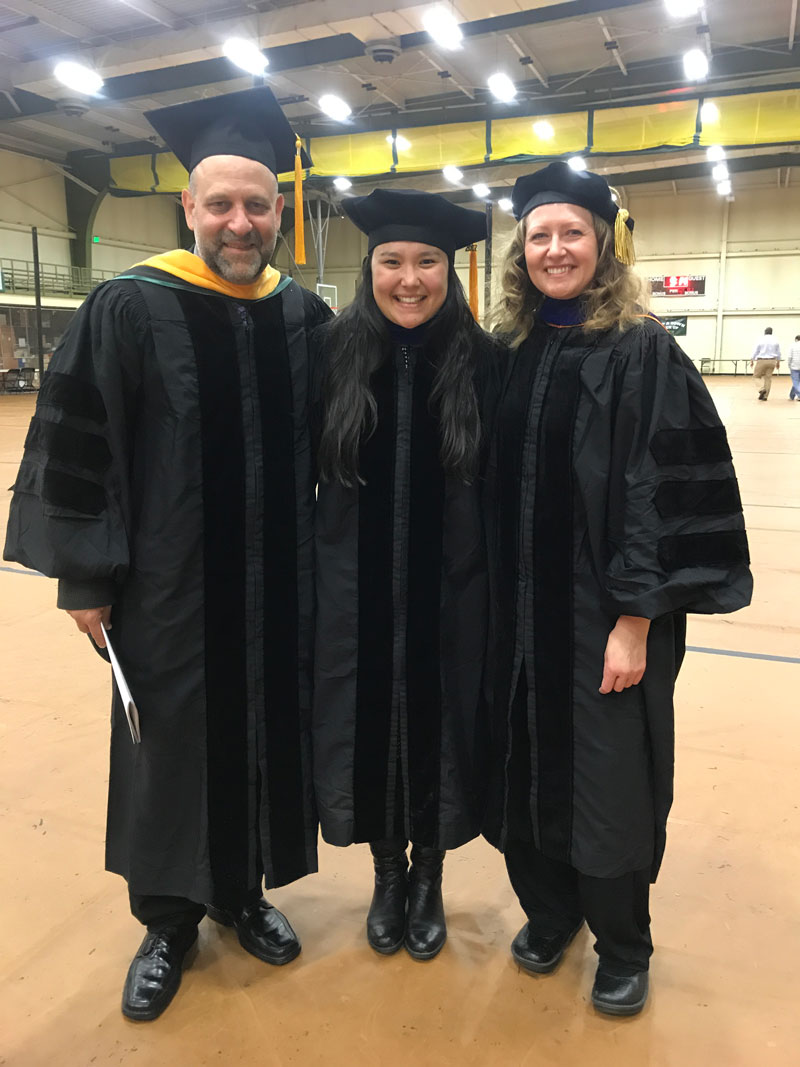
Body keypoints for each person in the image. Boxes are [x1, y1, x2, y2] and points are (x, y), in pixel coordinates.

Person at [3, 86, 332, 1021]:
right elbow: (84, 444)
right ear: (188, 208)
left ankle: (243, 891)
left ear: (280, 213)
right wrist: (86, 575)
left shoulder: (300, 318)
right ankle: (167, 920)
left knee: (265, 734)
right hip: (165, 587)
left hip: (277, 586)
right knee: (167, 748)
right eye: (219, 203)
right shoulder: (127, 305)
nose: (239, 221)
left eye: (257, 204)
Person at [484, 161, 752, 1016]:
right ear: (519, 251)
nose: (554, 249)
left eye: (572, 232)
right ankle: (551, 912)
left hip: (603, 620)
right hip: (515, 620)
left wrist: (635, 618)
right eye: (538, 235)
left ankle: (622, 942)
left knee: (608, 786)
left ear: (604, 244)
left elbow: (658, 491)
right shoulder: (508, 352)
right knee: (522, 768)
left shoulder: (643, 351)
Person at [310, 189, 499, 960]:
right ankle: (387, 872)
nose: (410, 278)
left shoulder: (487, 364)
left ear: (450, 273)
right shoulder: (330, 355)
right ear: (370, 268)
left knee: (441, 729)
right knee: (369, 728)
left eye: (427, 262)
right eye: (393, 261)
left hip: (453, 594)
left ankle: (429, 878)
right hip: (353, 591)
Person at [751, 326, 781, 400]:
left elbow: (756, 351)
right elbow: (778, 353)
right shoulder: (775, 340)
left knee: (756, 377)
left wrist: (752, 359)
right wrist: (778, 362)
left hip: (762, 360)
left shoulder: (761, 340)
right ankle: (765, 396)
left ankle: (761, 389)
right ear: (771, 332)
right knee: (768, 378)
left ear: (765, 332)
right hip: (772, 361)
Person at [787, 334, 800, 400]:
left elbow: (790, 357)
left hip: (795, 366)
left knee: (795, 381)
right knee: (797, 382)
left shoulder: (793, 345)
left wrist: (789, 365)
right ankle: (791, 395)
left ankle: (799, 395)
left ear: (796, 339)